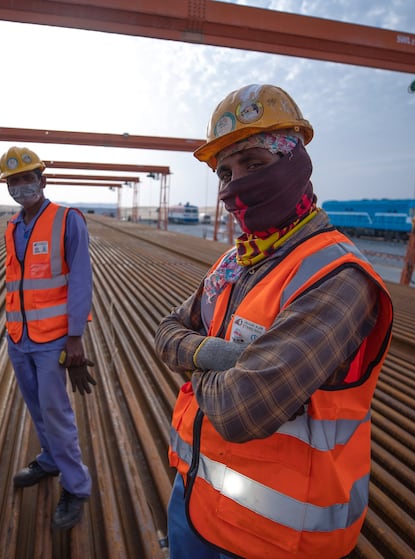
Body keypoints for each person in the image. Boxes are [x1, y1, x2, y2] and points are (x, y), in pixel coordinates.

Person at [154, 84, 394, 559]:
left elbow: (241, 410)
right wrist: (215, 354)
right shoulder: (235, 263)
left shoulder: (337, 278)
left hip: (276, 539)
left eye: (254, 164)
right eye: (225, 172)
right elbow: (165, 332)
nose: (234, 184)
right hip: (195, 498)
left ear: (296, 165)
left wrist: (193, 359)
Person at [0, 146, 96, 531]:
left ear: (42, 179)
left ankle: (76, 485)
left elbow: (80, 280)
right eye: (13, 181)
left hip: (53, 339)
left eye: (27, 178)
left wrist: (75, 338)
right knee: (37, 407)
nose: (21, 187)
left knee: (57, 413)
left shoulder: (66, 220)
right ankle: (50, 460)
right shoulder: (12, 227)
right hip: (18, 336)